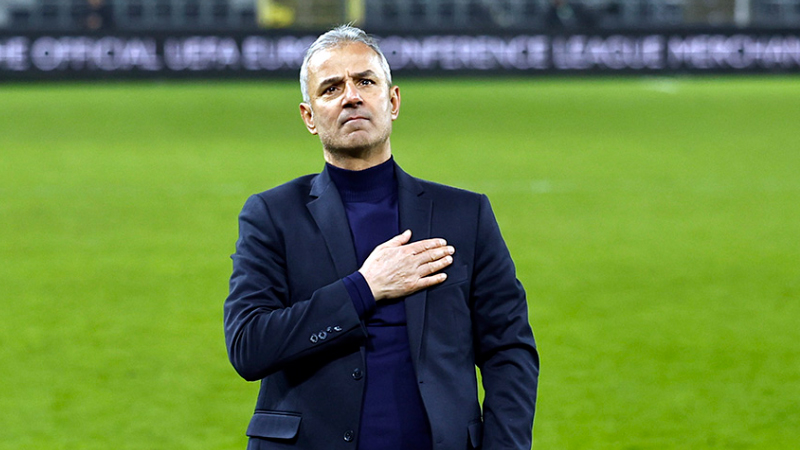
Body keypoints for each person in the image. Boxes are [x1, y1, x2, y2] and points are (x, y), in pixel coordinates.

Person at [224, 25, 539, 450]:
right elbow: (249, 346)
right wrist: (364, 287)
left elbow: (509, 350)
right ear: (309, 117)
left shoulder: (465, 215)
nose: (351, 96)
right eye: (331, 88)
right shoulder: (272, 215)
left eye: (365, 81)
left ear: (392, 102)